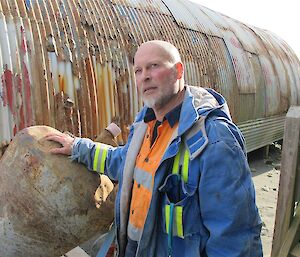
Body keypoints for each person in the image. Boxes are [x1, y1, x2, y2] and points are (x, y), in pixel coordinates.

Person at [46, 40, 262, 257]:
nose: (144, 76)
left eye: (154, 66)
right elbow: (124, 161)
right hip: (134, 247)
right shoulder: (145, 123)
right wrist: (78, 147)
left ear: (178, 71)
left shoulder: (214, 139)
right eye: (138, 70)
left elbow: (234, 239)